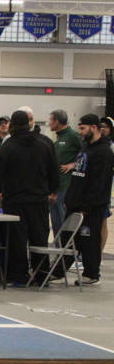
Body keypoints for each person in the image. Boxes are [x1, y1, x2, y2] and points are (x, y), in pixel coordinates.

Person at [0, 109, 59, 287]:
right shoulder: (44, 143)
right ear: (28, 124)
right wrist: (53, 191)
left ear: (13, 125)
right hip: (39, 200)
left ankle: (19, 276)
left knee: (17, 240)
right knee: (39, 238)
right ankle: (41, 276)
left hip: (15, 201)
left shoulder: (9, 146)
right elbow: (54, 169)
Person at [63, 114, 113, 286]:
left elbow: (100, 182)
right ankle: (57, 271)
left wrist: (88, 205)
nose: (81, 132)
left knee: (89, 241)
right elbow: (78, 176)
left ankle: (92, 274)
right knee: (68, 240)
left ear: (94, 127)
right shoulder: (86, 148)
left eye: (83, 129)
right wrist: (70, 198)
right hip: (75, 204)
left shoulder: (103, 152)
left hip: (91, 207)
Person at [49, 109, 84, 238]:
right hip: (56, 187)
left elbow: (87, 153)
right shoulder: (59, 138)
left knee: (65, 222)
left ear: (57, 122)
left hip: (66, 186)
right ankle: (58, 248)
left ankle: (67, 248)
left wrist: (73, 164)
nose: (49, 123)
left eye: (50, 120)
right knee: (56, 223)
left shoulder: (73, 136)